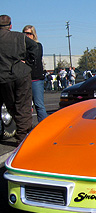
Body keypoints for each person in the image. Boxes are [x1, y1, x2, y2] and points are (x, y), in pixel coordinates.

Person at [0, 15, 38, 144]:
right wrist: (28, 62)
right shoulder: (19, 37)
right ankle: (22, 137)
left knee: (11, 105)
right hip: (21, 74)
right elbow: (34, 46)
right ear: (10, 25)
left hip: (4, 77)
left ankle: (21, 131)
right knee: (23, 106)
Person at [23, 25, 48, 123]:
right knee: (25, 106)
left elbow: (35, 59)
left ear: (33, 34)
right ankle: (26, 128)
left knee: (39, 105)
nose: (27, 35)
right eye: (25, 33)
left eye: (29, 33)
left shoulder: (37, 46)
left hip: (36, 79)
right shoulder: (21, 47)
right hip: (24, 79)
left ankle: (44, 127)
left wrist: (25, 61)